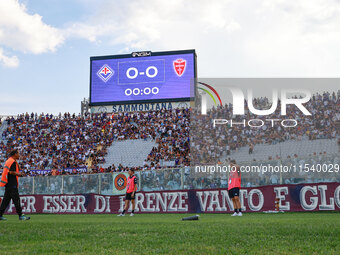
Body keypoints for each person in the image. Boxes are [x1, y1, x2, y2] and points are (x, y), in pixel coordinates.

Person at [0, 149, 30, 220]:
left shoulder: (9, 161)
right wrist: (20, 174)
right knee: (16, 199)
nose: (19, 155)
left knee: (6, 200)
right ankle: (21, 215)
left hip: (8, 183)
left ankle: (0, 214)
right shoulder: (12, 162)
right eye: (18, 153)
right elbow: (11, 172)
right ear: (15, 154)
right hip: (12, 183)